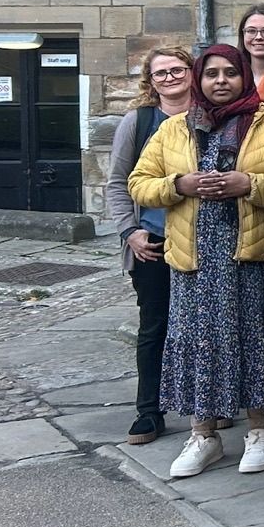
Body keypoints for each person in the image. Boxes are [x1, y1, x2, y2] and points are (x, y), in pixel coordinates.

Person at [130, 45, 264, 480]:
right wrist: (179, 184)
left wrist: (251, 184)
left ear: (245, 76)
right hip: (195, 258)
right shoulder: (173, 128)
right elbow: (139, 183)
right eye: (211, 74)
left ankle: (260, 431)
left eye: (230, 72)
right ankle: (203, 435)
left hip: (255, 254)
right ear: (199, 80)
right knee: (199, 344)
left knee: (254, 340)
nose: (221, 81)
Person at [107, 46, 195, 444]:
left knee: (203, 324)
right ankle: (149, 410)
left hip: (201, 238)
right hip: (153, 241)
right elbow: (117, 182)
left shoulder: (209, 117)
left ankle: (206, 405)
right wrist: (130, 231)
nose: (171, 77)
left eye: (178, 69)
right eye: (161, 73)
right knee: (155, 325)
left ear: (191, 73)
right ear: (151, 81)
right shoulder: (139, 121)